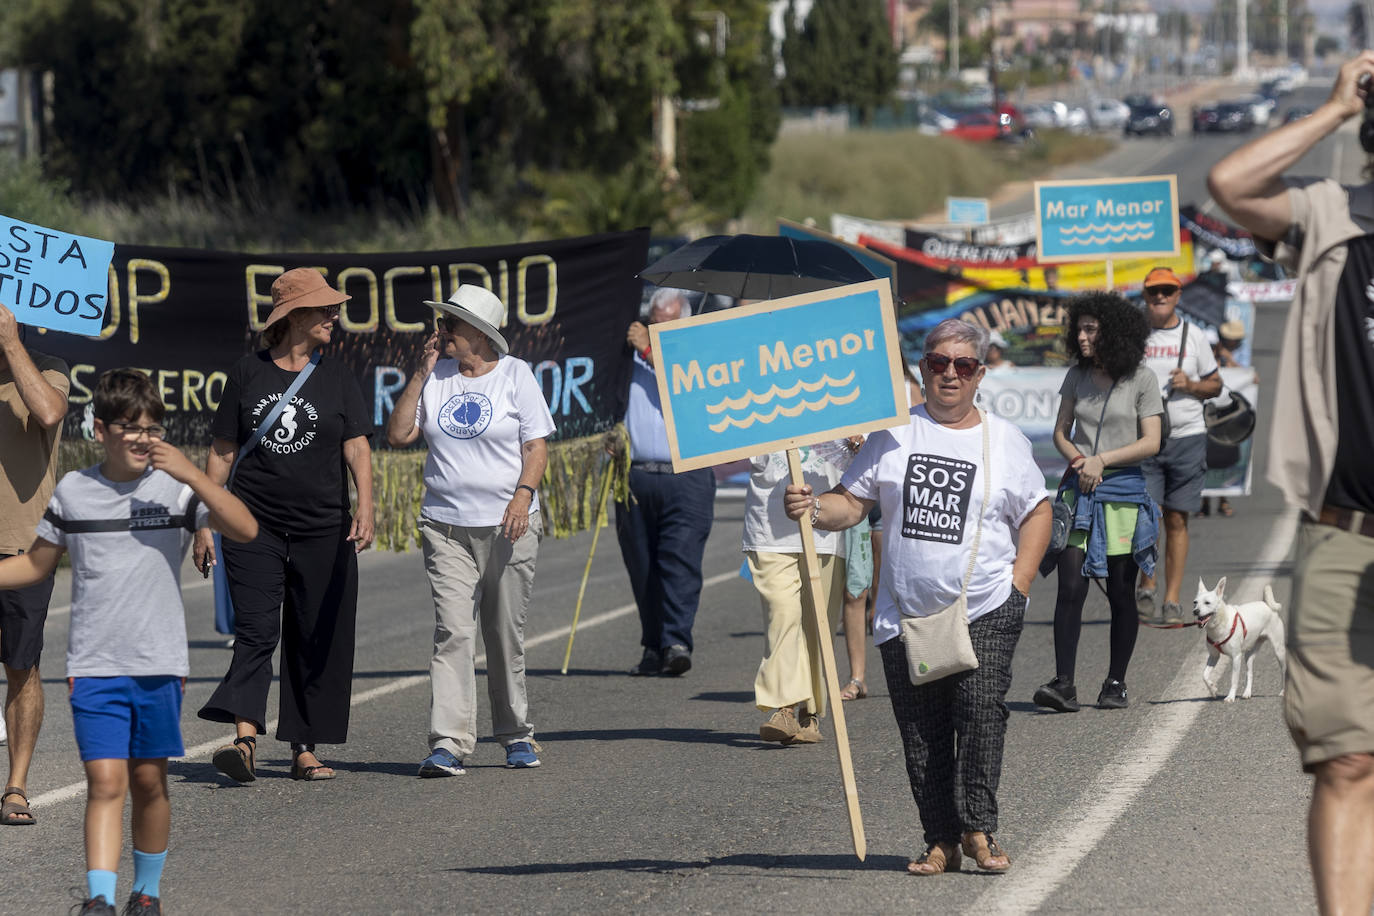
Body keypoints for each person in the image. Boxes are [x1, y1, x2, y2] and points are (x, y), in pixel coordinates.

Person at [783, 319, 1051, 875]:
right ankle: (940, 840)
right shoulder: (893, 434)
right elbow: (849, 505)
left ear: (979, 374)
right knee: (923, 734)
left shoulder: (1004, 440)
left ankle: (979, 829)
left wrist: (1019, 586)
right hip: (903, 614)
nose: (950, 374)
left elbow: (1037, 512)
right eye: (938, 363)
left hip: (985, 606)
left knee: (980, 715)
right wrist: (810, 507)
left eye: (963, 365)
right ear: (923, 368)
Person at [1208, 51, 1374, 916]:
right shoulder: (1331, 216)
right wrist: (1333, 108)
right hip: (1346, 533)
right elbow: (1230, 179)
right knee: (1347, 759)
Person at [0, 369, 257, 915]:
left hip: (159, 663)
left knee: (148, 782)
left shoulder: (175, 489)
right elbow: (35, 564)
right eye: (129, 426)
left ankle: (148, 893)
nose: (143, 436)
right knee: (106, 780)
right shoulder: (74, 492)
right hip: (93, 666)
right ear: (99, 430)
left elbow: (245, 529)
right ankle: (99, 899)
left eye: (153, 426)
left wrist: (193, 472)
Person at [196, 268, 375, 782]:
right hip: (254, 526)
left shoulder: (338, 376)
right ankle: (245, 739)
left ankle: (303, 747)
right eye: (325, 308)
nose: (334, 316)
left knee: (314, 633)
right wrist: (204, 522)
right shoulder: (247, 374)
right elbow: (222, 452)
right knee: (255, 629)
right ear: (295, 316)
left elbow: (357, 444)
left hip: (325, 527)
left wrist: (366, 505)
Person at [386, 285, 554, 776]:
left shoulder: (515, 375)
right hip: (445, 526)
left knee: (503, 634)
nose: (441, 333)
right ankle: (448, 743)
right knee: (453, 633)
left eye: (450, 325)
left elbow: (536, 447)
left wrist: (523, 495)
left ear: (479, 334)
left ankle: (516, 734)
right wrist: (420, 373)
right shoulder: (434, 376)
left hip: (507, 525)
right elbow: (398, 435)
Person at [1032, 293, 1163, 713]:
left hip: (1123, 495)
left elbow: (1152, 442)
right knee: (1070, 586)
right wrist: (1078, 460)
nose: (1083, 336)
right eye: (1080, 329)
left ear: (1114, 333)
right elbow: (1060, 431)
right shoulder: (1076, 375)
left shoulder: (1143, 379)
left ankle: (1115, 681)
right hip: (1078, 492)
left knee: (1121, 593)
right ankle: (1064, 683)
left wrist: (1101, 460)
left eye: (1092, 329)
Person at [616, 287, 716, 677]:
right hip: (637, 474)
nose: (657, 331)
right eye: (655, 324)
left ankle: (676, 640)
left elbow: (686, 385)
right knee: (641, 566)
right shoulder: (632, 357)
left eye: (667, 325)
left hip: (686, 475)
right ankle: (653, 644)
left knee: (679, 562)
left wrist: (648, 350)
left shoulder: (696, 356)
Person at [0, 303, 68, 827]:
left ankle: (16, 786)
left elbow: (47, 412)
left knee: (21, 668)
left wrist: (9, 342)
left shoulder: (47, 366)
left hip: (20, 548)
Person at [1134, 266, 1222, 626]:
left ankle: (1171, 598)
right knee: (1148, 515)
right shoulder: (1134, 336)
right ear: (1145, 295)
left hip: (1187, 435)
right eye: (1154, 291)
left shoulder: (1195, 336)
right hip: (1144, 438)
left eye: (1167, 291)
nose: (1160, 297)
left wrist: (1189, 384)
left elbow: (1215, 384)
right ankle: (1147, 586)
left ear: (1177, 296)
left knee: (1176, 518)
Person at [745, 445, 846, 744]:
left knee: (817, 626)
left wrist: (858, 441)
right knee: (782, 614)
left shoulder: (838, 399)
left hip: (825, 523)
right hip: (768, 523)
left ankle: (810, 713)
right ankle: (785, 709)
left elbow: (863, 454)